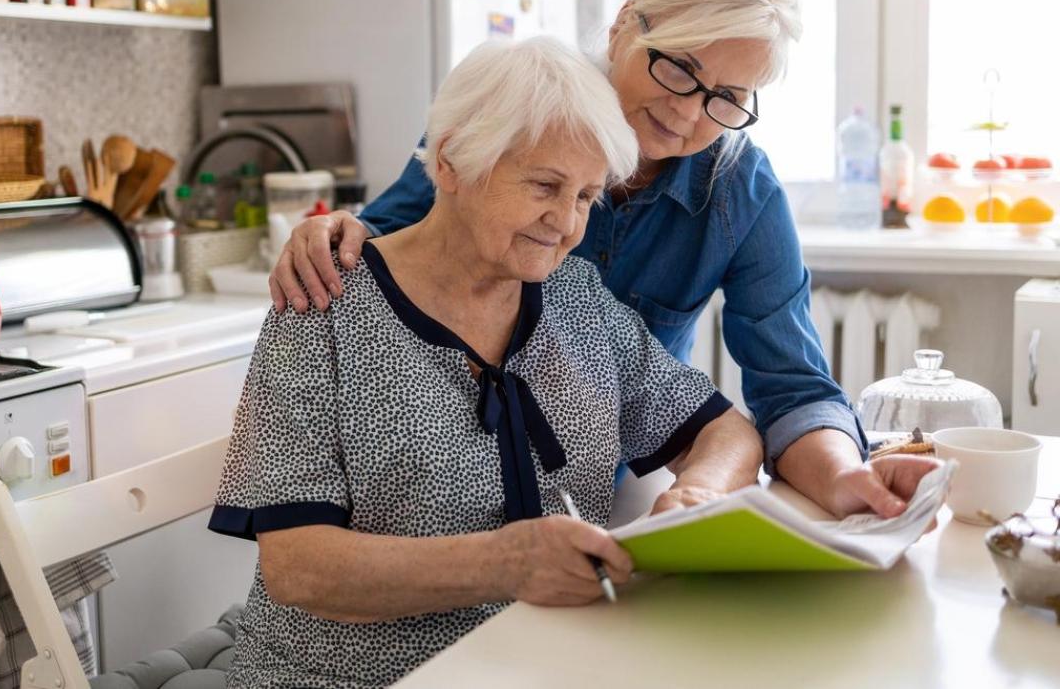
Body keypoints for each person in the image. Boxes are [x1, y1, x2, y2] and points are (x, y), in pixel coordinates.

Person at [268, 0, 940, 521]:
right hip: (437, 497)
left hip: (599, 494)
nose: (685, 111)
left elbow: (792, 387)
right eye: (679, 67)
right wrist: (331, 233)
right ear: (625, 25)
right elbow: (386, 245)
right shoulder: (514, 110)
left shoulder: (741, 190)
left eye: (726, 96)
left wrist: (847, 475)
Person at [211, 37, 763, 688]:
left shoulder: (576, 300)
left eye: (587, 196)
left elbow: (726, 431)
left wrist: (695, 494)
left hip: (539, 665)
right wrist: (504, 562)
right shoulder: (325, 303)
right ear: (450, 162)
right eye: (545, 185)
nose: (565, 223)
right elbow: (298, 566)